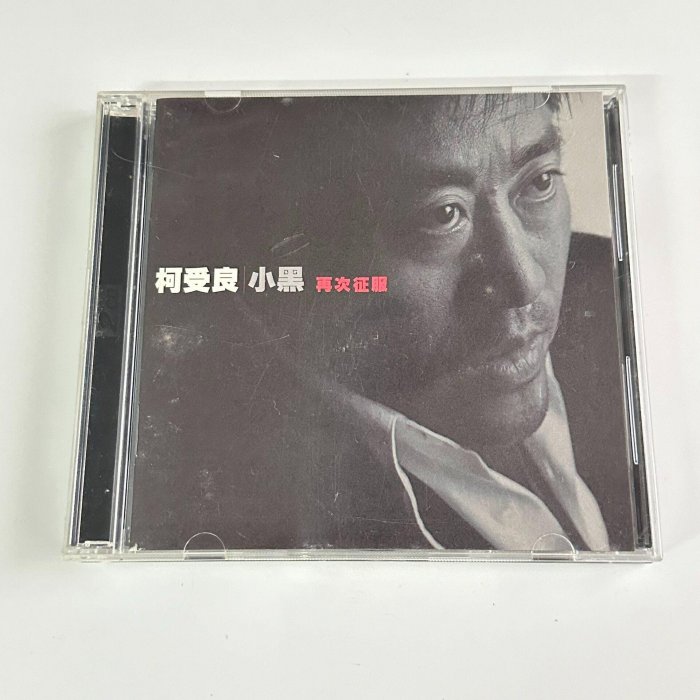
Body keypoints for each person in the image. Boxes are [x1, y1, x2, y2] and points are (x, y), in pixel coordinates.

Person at [132, 93, 635, 553]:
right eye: (442, 215)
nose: (524, 283)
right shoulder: (210, 503)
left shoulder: (620, 293)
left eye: (539, 182)